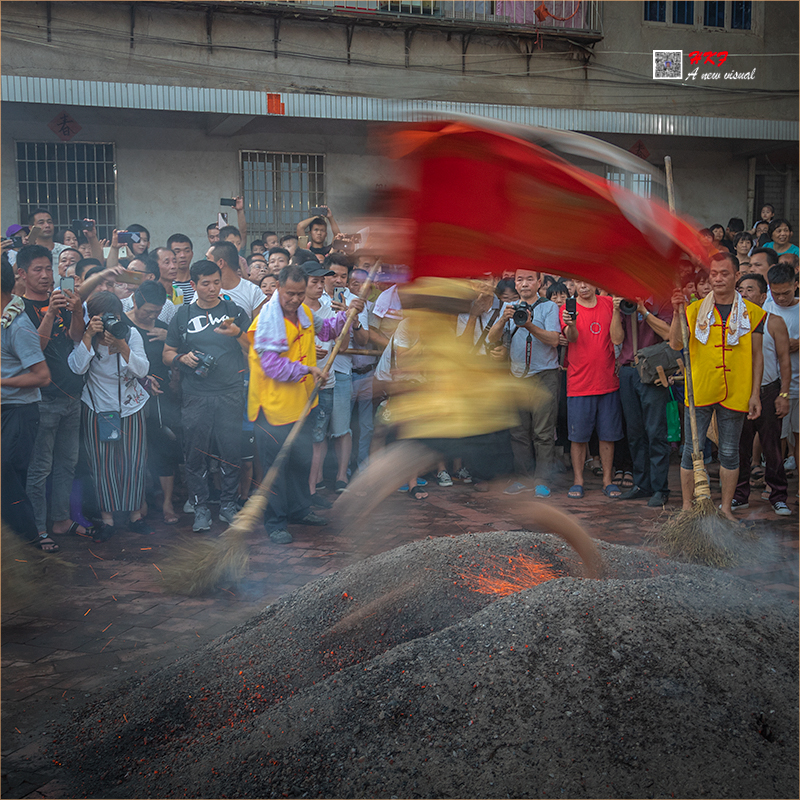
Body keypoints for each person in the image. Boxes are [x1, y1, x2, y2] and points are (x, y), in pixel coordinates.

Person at [247, 264, 364, 543]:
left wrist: (348, 314)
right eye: (290, 294)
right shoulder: (267, 319)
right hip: (272, 408)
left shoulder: (306, 314)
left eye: (300, 294)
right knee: (276, 468)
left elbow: (328, 331)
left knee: (301, 461)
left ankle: (300, 510)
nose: (295, 299)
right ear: (278, 287)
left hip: (302, 403)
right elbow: (271, 365)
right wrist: (307, 370)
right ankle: (275, 522)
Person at [668, 253, 765, 523]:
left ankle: (725, 509)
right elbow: (676, 344)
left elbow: (758, 357)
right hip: (699, 387)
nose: (718, 278)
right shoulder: (694, 309)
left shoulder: (754, 313)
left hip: (737, 389)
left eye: (724, 273)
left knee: (730, 451)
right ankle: (688, 506)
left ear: (736, 276)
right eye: (714, 273)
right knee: (691, 449)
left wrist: (755, 393)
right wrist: (677, 313)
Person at [162, 260, 251, 532]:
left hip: (230, 392)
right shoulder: (183, 314)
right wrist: (181, 358)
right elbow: (166, 354)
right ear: (193, 285)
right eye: (205, 283)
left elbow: (252, 349)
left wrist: (237, 333)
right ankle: (200, 507)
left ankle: (227, 506)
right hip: (195, 395)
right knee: (195, 454)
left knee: (230, 451)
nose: (212, 288)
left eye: (216, 282)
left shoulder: (233, 310)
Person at [68, 291, 151, 542]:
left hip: (131, 406)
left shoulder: (130, 333)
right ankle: (108, 519)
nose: (108, 322)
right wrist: (88, 337)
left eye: (112, 316)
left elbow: (143, 370)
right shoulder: (87, 336)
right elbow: (76, 367)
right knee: (101, 464)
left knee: (134, 461)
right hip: (97, 406)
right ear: (92, 317)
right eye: (102, 317)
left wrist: (124, 347)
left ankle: (136, 515)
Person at [17, 245, 87, 544]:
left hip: (71, 397)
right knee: (40, 468)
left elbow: (74, 337)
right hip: (42, 401)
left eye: (49, 269)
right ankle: (38, 529)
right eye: (38, 269)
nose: (46, 275)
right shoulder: (16, 310)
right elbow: (36, 349)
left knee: (67, 464)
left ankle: (60, 520)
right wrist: (51, 313)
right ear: (21, 273)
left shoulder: (59, 299)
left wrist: (77, 311)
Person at [486, 269, 561, 497]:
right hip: (517, 375)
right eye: (520, 279)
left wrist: (529, 325)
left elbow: (554, 340)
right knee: (518, 432)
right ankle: (524, 478)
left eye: (530, 279)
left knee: (543, 432)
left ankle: (543, 480)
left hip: (544, 375)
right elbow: (492, 338)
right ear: (515, 284)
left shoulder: (549, 307)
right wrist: (504, 318)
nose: (524, 283)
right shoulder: (509, 307)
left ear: (539, 282)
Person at [1, 259, 53, 550]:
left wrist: (1, 382)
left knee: (5, 471)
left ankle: (30, 543)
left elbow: (42, 376)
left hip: (19, 412)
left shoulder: (18, 326)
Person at [124, 280, 181, 525]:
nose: (152, 316)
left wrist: (168, 335)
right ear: (135, 301)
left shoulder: (163, 327)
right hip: (128, 396)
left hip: (161, 396)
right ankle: (140, 500)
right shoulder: (122, 325)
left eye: (157, 311)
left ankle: (167, 501)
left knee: (164, 447)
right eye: (148, 310)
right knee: (135, 451)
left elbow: (176, 354)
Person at [734, 272, 792, 515]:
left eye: (750, 290)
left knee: (772, 449)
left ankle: (778, 496)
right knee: (739, 448)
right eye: (741, 290)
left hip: (768, 392)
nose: (744, 294)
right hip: (739, 394)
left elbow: (784, 360)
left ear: (762, 295)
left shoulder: (773, 321)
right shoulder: (731, 322)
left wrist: (784, 394)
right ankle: (738, 495)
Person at [561, 281, 624, 499]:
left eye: (587, 281)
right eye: (578, 282)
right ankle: (578, 480)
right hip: (579, 382)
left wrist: (616, 309)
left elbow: (618, 338)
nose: (583, 286)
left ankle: (607, 480)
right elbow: (572, 338)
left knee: (608, 435)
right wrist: (570, 324)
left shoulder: (608, 303)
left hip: (608, 380)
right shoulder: (568, 308)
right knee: (578, 437)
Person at [613, 294, 674, 506]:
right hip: (628, 371)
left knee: (656, 431)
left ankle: (660, 488)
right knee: (635, 432)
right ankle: (641, 484)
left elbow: (668, 334)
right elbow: (616, 339)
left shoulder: (661, 299)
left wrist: (644, 312)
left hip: (652, 370)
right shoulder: (622, 301)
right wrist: (615, 310)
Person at [763, 263, 799, 476]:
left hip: (799, 383)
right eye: (776, 294)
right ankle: (776, 483)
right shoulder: (766, 310)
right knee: (778, 437)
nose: (781, 298)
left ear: (796, 285)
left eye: (786, 293)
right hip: (776, 385)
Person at [205, 240, 266, 318]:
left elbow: (258, 327)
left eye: (208, 259)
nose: (205, 264)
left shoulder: (254, 292)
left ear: (220, 263)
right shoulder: (203, 290)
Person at [167, 233, 195, 304]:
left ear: (192, 254)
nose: (182, 255)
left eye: (187, 251)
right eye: (177, 252)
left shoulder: (199, 281)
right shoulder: (166, 283)